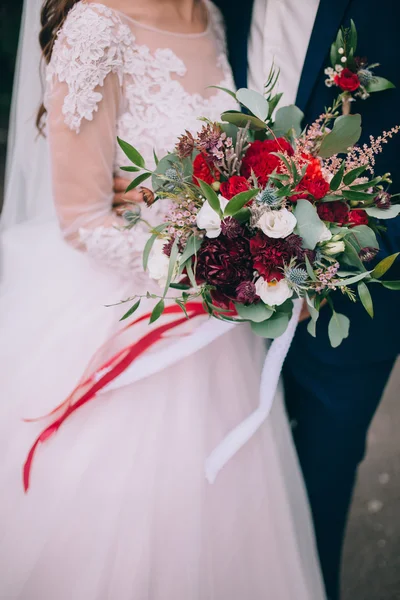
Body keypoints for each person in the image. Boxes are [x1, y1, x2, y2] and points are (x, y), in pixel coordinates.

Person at [0, 1, 327, 598]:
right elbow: (83, 220)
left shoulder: (210, 14)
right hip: (131, 315)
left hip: (217, 335)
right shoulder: (97, 28)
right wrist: (207, 277)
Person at [215, 0, 400, 598]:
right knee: (228, 483)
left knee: (320, 479)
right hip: (224, 308)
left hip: (350, 310)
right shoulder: (216, 8)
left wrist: (354, 247)